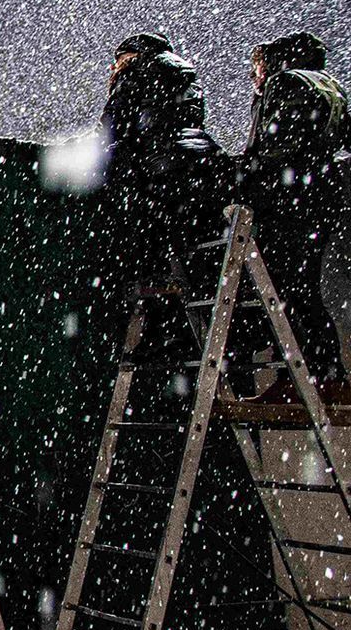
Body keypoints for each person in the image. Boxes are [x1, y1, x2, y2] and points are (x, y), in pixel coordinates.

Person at [238, 31, 346, 402]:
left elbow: (274, 146)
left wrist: (242, 175)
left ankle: (304, 377)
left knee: (286, 288)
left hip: (291, 198)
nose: (254, 77)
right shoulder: (328, 86)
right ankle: (325, 374)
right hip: (321, 195)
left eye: (257, 68)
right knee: (304, 286)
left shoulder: (284, 84)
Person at [97, 31, 230, 288]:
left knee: (152, 233)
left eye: (117, 61)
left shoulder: (134, 71)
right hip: (207, 163)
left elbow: (111, 127)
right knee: (202, 246)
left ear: (130, 56)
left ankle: (153, 278)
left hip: (165, 169)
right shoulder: (187, 77)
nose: (113, 68)